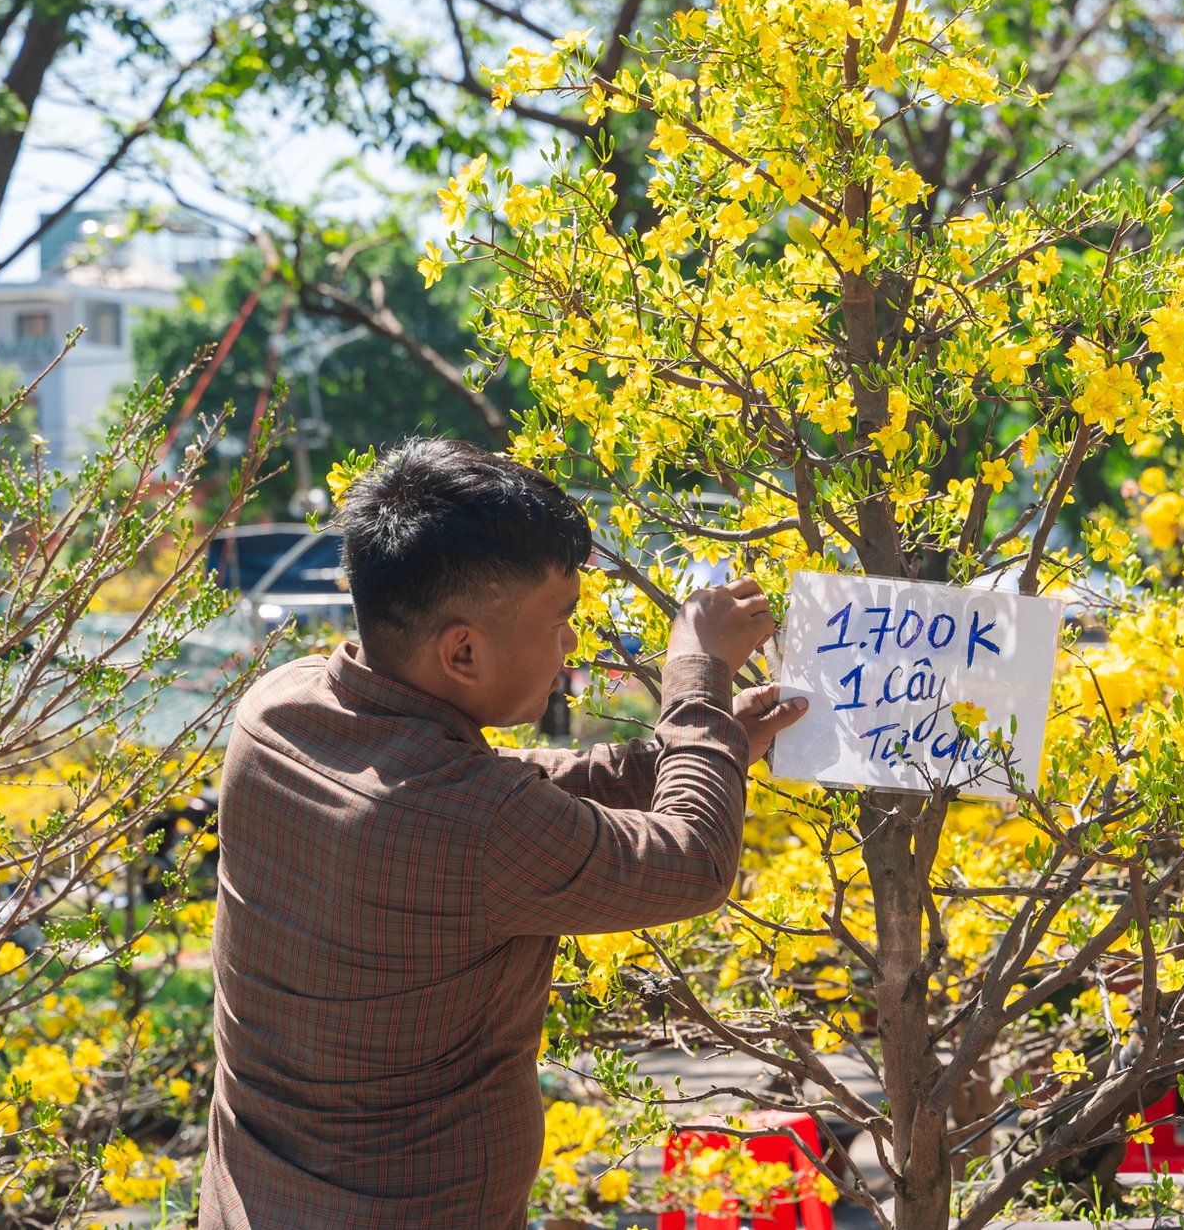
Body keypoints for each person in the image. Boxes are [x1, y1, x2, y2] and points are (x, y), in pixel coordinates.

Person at [198, 439, 808, 1229]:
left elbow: (502, 784)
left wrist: (694, 746)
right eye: (560, 622)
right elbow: (692, 862)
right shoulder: (472, 823)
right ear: (463, 649)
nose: (571, 648)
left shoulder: (277, 707)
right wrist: (699, 681)